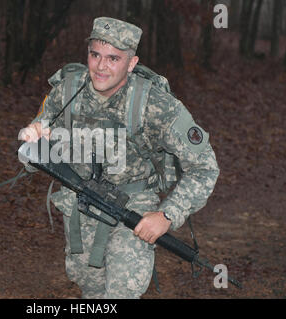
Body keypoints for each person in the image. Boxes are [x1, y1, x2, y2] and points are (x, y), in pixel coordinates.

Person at [19, 17, 219, 299]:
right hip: (81, 205)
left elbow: (205, 168)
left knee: (121, 293)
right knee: (90, 289)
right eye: (95, 55)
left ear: (132, 62)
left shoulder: (155, 105)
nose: (101, 67)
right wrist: (31, 138)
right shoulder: (67, 90)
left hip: (132, 210)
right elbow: (36, 146)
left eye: (114, 58)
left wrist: (166, 215)